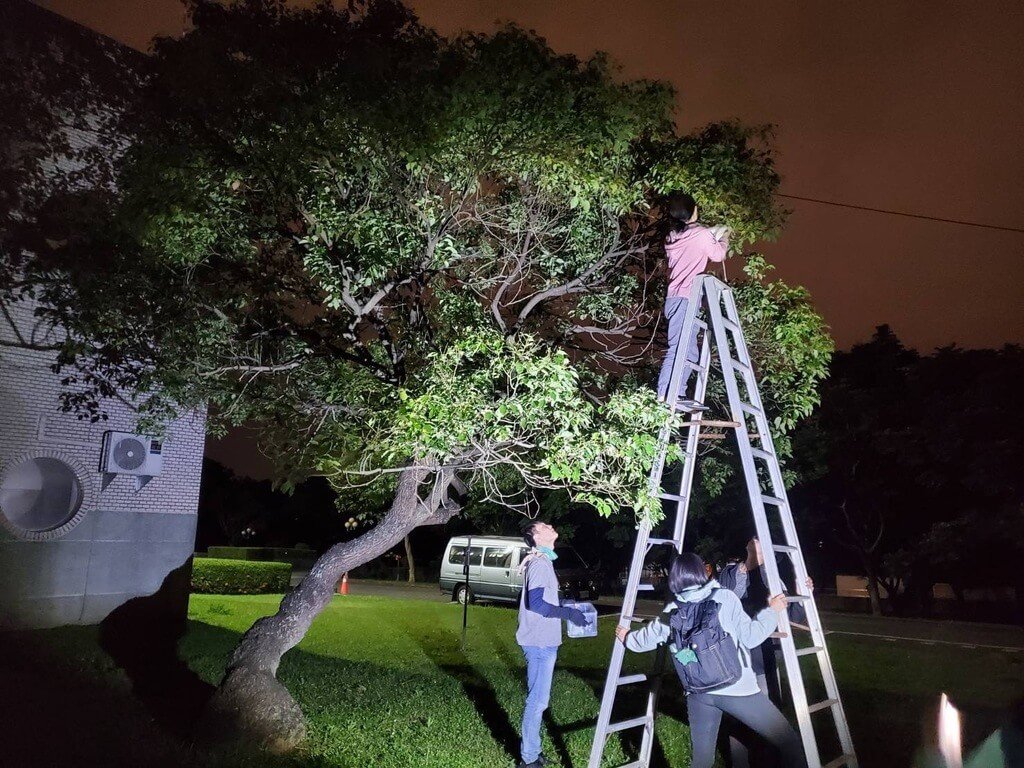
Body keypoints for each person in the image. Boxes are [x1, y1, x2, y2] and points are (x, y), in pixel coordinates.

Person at [615, 552, 807, 768]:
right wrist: (772, 611)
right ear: (701, 572)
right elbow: (752, 637)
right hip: (737, 691)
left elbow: (642, 642)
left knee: (702, 761)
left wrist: (626, 637)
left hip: (698, 694)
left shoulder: (672, 610)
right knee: (789, 742)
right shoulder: (724, 598)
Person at [516, 520, 588, 768]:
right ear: (535, 536)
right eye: (543, 525)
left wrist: (565, 608)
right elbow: (535, 604)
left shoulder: (543, 562)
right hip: (538, 643)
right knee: (537, 702)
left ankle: (532, 753)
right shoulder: (538, 563)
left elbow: (543, 600)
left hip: (544, 642)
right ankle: (528, 759)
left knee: (539, 701)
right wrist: (569, 615)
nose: (549, 525)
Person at [657, 191, 729, 407]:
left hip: (676, 298)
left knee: (689, 351)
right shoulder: (699, 234)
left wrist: (712, 233)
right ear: (692, 211)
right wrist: (724, 236)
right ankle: (665, 394)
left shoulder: (673, 235)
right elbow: (718, 255)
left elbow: (694, 241)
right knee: (677, 348)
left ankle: (676, 392)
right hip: (685, 298)